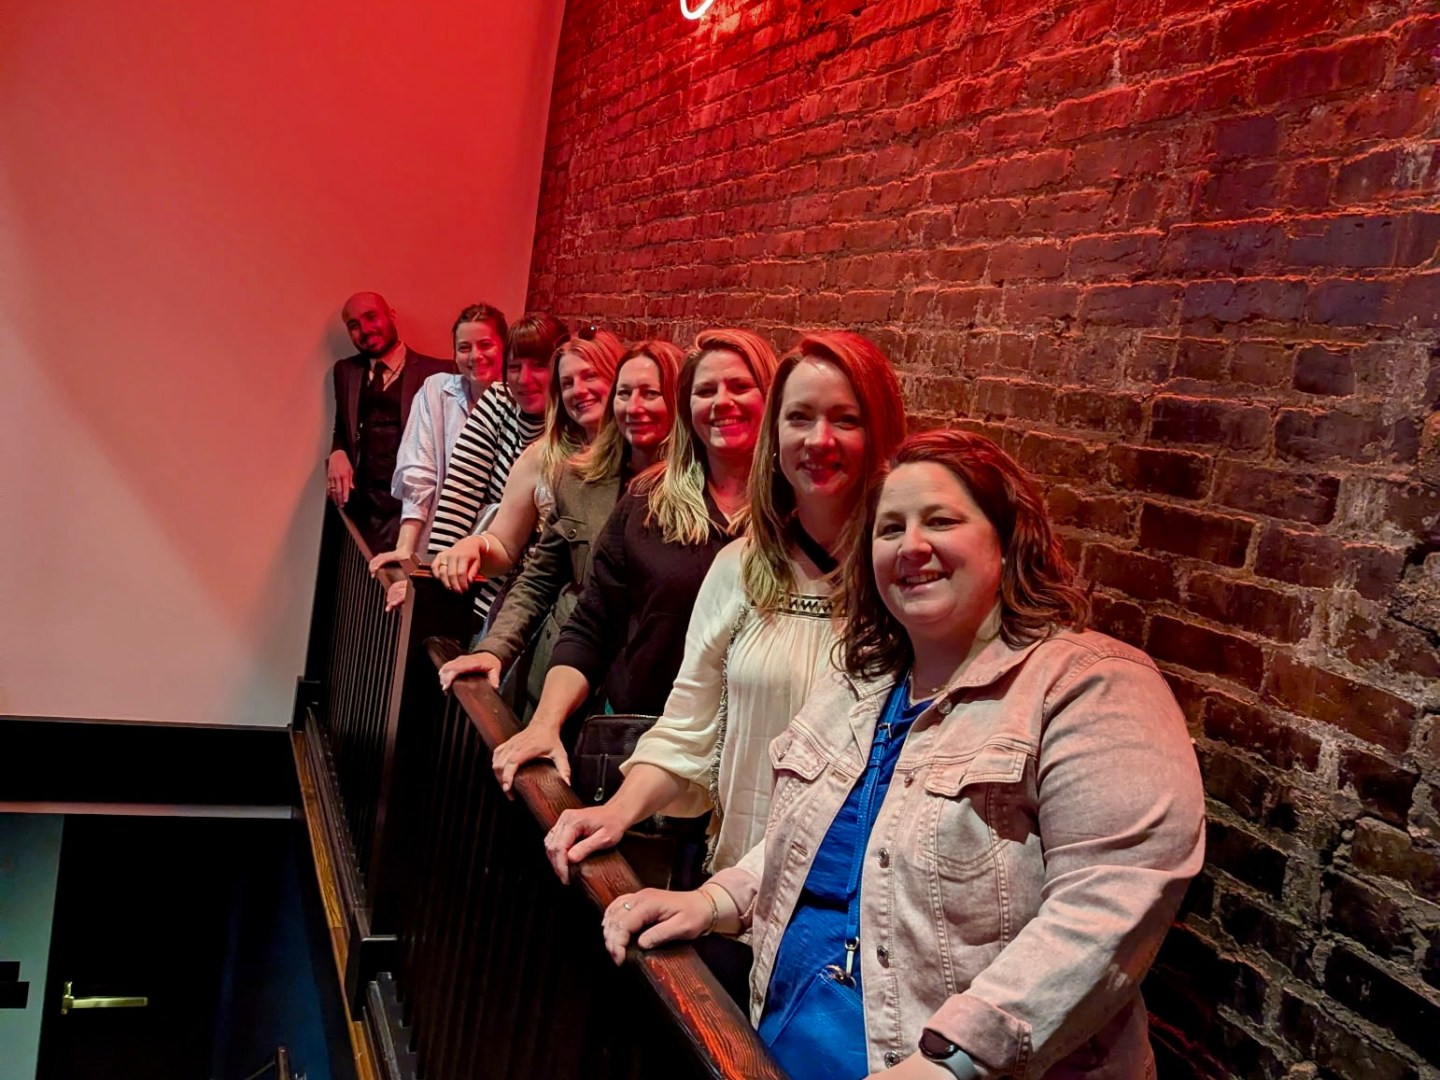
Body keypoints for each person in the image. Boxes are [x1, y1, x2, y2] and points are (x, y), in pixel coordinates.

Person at [600, 430, 1206, 1080]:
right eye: (889, 529)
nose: (910, 546)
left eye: (941, 521)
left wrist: (953, 1060)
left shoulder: (1088, 686)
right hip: (781, 1040)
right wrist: (713, 902)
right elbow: (806, 841)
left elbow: (1108, 907)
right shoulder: (859, 682)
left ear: (1006, 541)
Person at [540, 332, 906, 885]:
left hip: (851, 897)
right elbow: (689, 725)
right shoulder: (739, 565)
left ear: (880, 430)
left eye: (846, 419)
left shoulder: (905, 578)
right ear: (775, 434)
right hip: (729, 879)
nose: (819, 439)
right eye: (800, 418)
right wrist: (615, 812)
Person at [490, 329, 779, 796]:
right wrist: (545, 723)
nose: (721, 401)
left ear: (771, 396)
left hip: (747, 762)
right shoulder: (647, 499)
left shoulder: (793, 514)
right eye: (705, 390)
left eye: (740, 386)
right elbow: (591, 623)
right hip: (638, 745)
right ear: (688, 406)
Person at [436, 340, 684, 721]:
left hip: (643, 702)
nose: (634, 407)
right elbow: (538, 578)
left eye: (650, 394)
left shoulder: (700, 496)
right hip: (559, 674)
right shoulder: (575, 475)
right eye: (625, 393)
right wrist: (493, 648)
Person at [429, 329, 626, 600]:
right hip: (535, 609)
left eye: (590, 375)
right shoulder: (542, 454)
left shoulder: (640, 458)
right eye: (567, 383)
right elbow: (504, 545)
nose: (578, 390)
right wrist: (475, 544)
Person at [423, 314, 567, 622]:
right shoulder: (498, 401)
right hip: (483, 581)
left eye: (539, 366)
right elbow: (458, 498)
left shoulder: (572, 430)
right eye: (515, 367)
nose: (524, 379)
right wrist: (434, 588)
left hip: (539, 597)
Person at [366, 302, 507, 572]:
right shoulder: (437, 392)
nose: (475, 356)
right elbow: (419, 471)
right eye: (464, 347)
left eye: (486, 345)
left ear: (505, 346)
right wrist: (405, 548)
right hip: (436, 546)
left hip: (493, 555)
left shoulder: (521, 405)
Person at [327, 292, 452, 549]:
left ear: (390, 315)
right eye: (354, 325)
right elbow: (343, 426)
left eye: (371, 317)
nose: (365, 330)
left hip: (409, 512)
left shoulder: (440, 372)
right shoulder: (345, 372)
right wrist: (337, 451)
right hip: (360, 509)